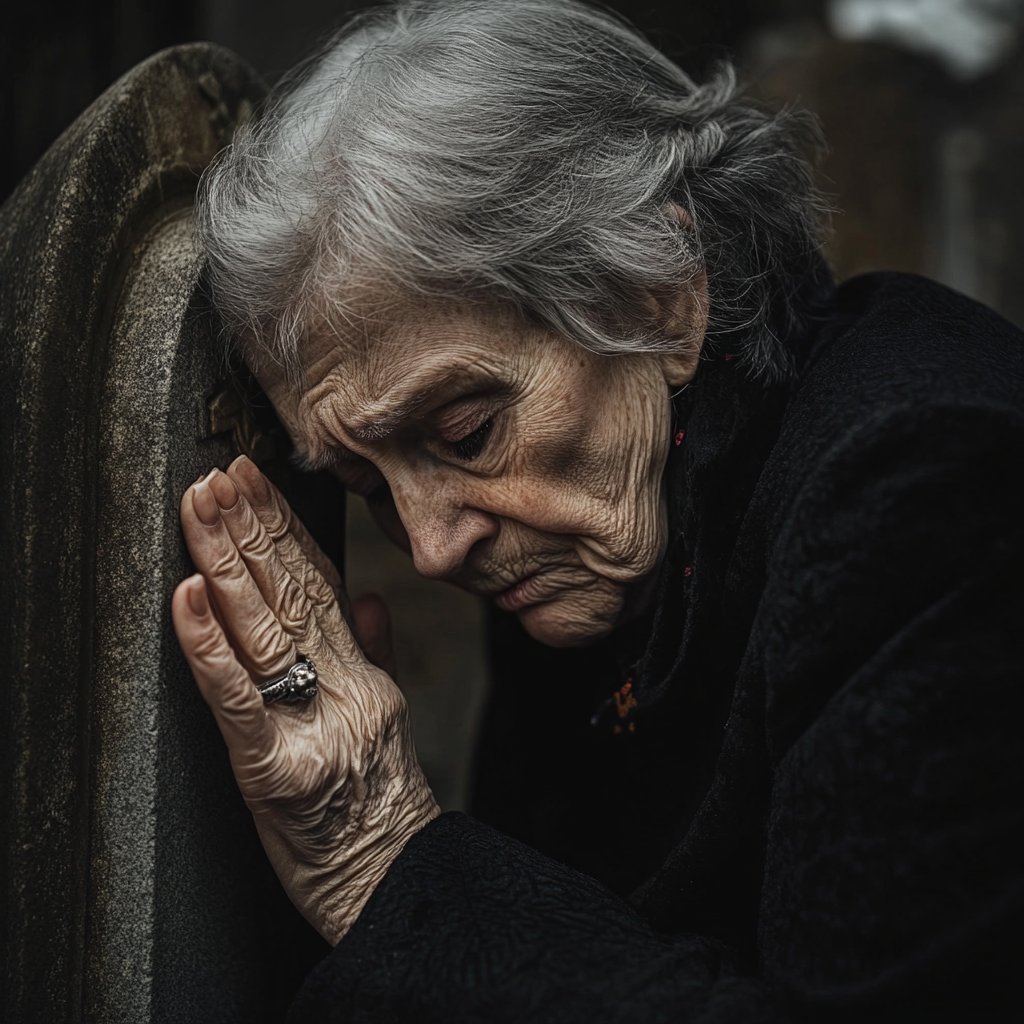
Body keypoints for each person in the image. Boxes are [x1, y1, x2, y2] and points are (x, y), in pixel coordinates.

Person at [170, 1, 1024, 1019]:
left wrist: (386, 862)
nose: (433, 547)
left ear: (655, 292)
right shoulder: (604, 531)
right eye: (370, 486)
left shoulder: (924, 481)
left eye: (466, 433)